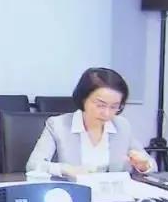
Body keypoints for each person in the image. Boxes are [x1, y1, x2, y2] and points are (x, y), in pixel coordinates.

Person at [27, 67, 155, 176]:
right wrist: (66, 169)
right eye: (100, 105)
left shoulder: (122, 125)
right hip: (74, 193)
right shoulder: (58, 125)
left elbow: (151, 164)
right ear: (83, 99)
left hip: (113, 194)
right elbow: (33, 165)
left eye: (114, 106)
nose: (107, 113)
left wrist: (143, 165)